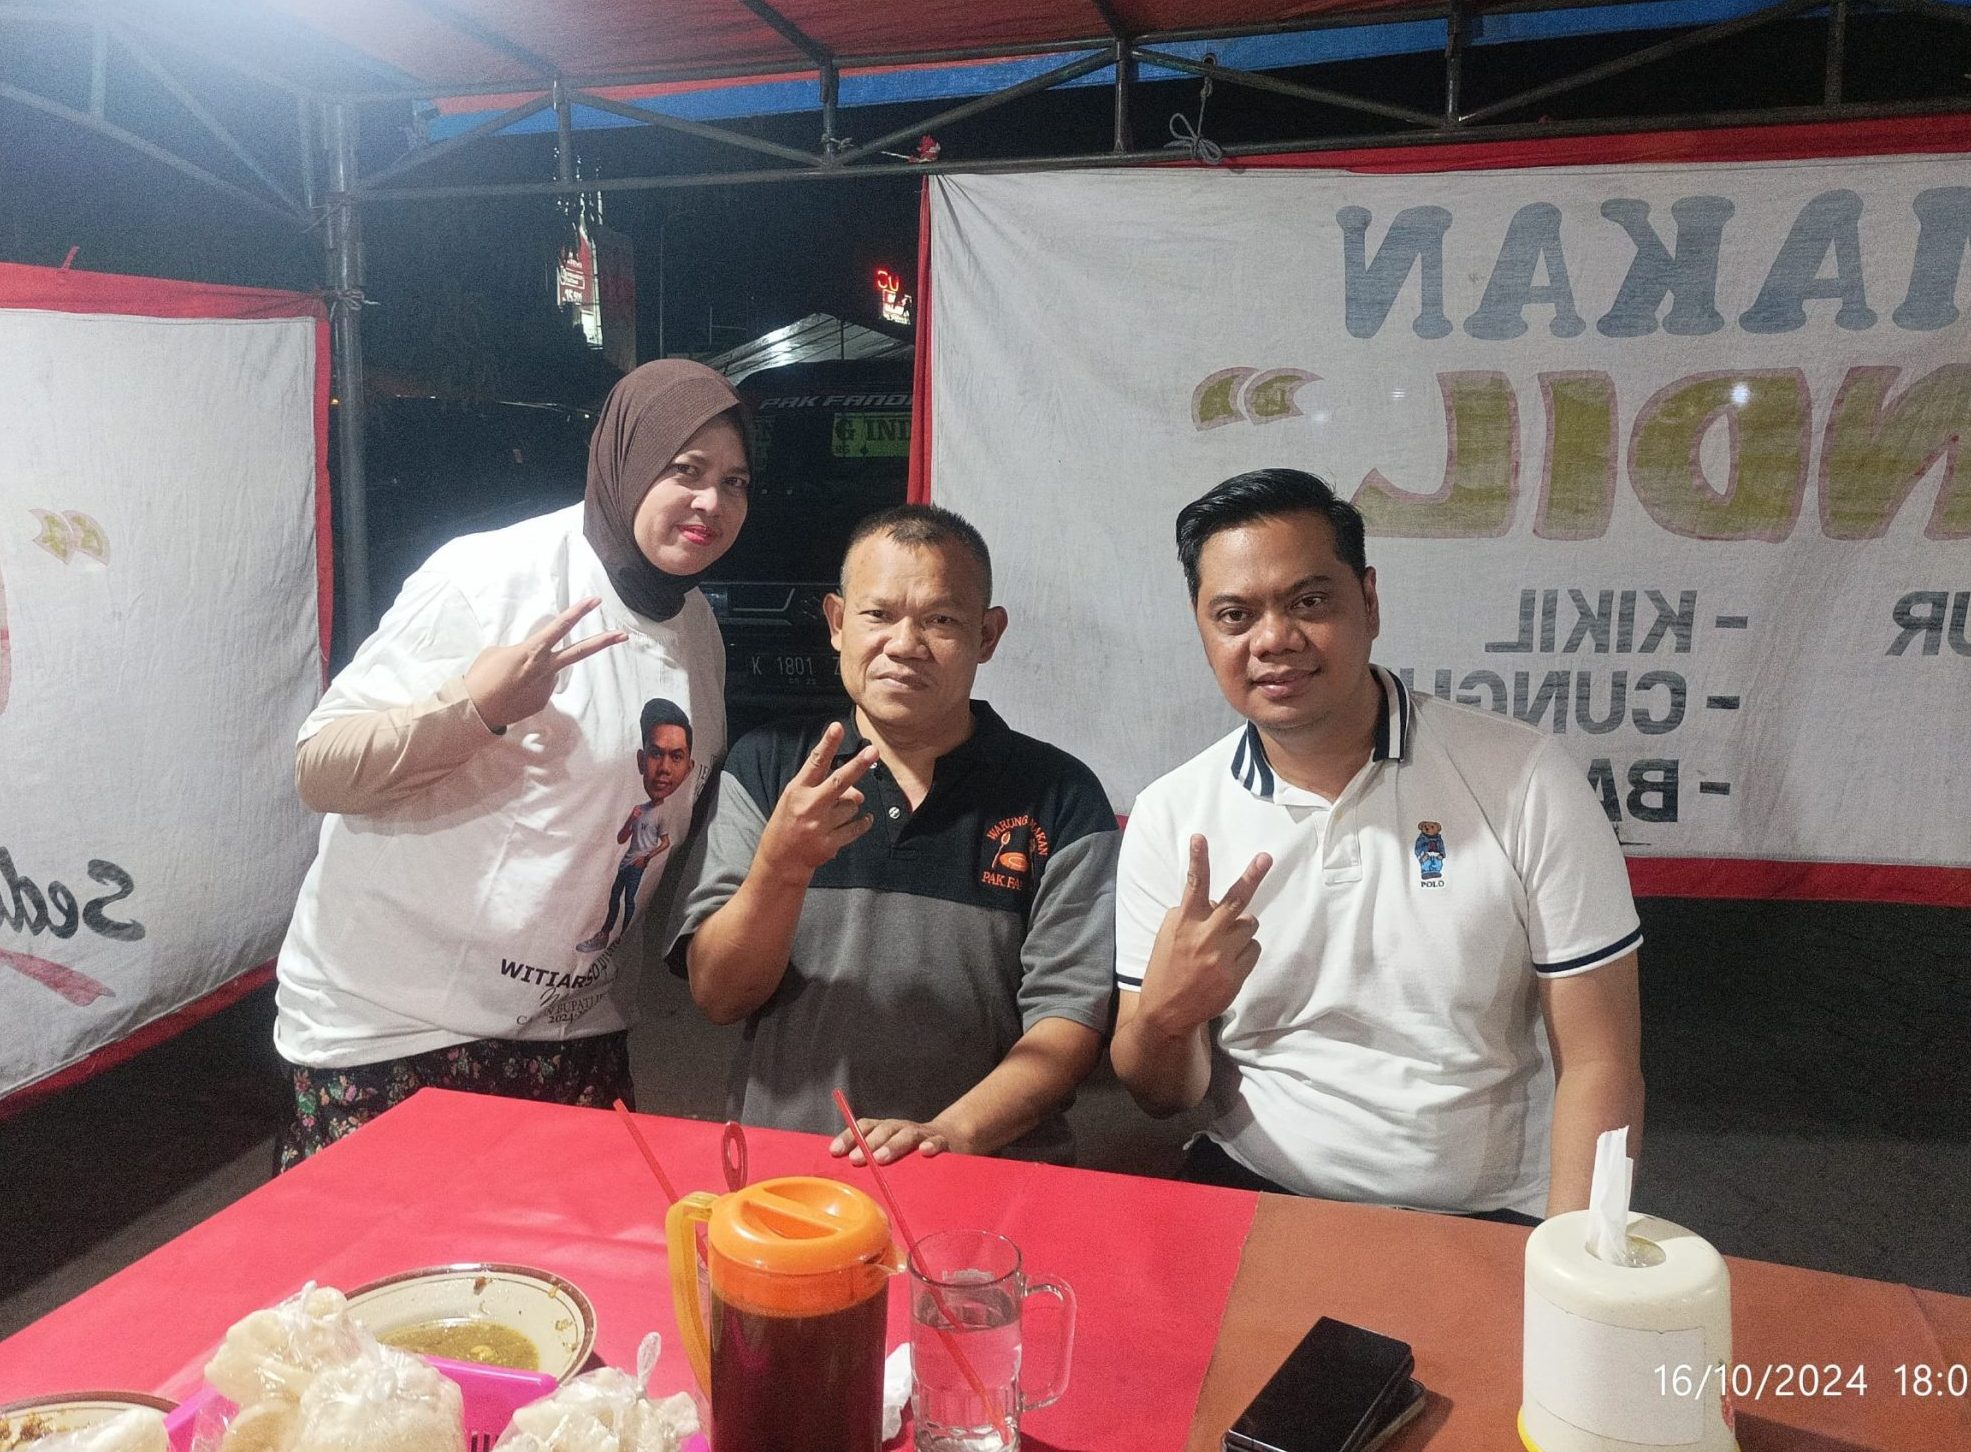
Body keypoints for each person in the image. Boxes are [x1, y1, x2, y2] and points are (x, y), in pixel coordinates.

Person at [1111, 469, 1644, 1220]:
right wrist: (1169, 1019)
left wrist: (1573, 1257)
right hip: (1253, 1184)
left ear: (1368, 602)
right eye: (1234, 615)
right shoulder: (1171, 815)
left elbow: (1600, 1061)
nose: (1273, 639)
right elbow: (1163, 1096)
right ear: (1203, 630)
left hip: (1486, 1209)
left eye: (1308, 602)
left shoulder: (1523, 778)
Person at [273, 360, 750, 1171]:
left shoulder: (695, 626)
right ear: (626, 460)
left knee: (578, 1251)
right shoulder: (492, 577)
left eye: (735, 482)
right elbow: (321, 768)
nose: (711, 501)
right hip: (399, 1031)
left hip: (574, 1032)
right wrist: (476, 707)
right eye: (686, 471)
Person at [671, 505, 1117, 1165]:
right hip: (794, 1166)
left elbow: (1069, 1020)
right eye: (878, 614)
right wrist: (781, 869)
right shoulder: (767, 768)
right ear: (836, 622)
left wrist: (952, 1134)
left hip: (991, 1170)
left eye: (940, 620)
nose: (904, 644)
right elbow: (719, 995)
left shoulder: (1061, 795)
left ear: (987, 635)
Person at [578, 699, 694, 954]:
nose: (664, 769)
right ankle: (605, 934)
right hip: (626, 860)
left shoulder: (666, 813)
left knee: (629, 899)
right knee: (614, 896)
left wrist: (646, 857)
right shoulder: (640, 809)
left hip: (638, 864)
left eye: (676, 757)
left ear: (689, 768)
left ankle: (618, 937)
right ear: (641, 760)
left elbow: (665, 842)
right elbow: (621, 839)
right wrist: (631, 820)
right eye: (656, 754)